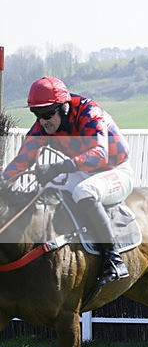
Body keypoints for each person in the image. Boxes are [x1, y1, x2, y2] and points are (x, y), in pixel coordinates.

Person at [0, 77, 134, 290]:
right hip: (83, 171)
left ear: (63, 107)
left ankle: (114, 260)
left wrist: (59, 167)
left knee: (84, 191)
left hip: (115, 170)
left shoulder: (90, 113)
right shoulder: (44, 125)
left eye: (47, 114)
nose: (43, 121)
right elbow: (23, 159)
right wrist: (3, 180)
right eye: (37, 115)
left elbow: (100, 154)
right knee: (46, 190)